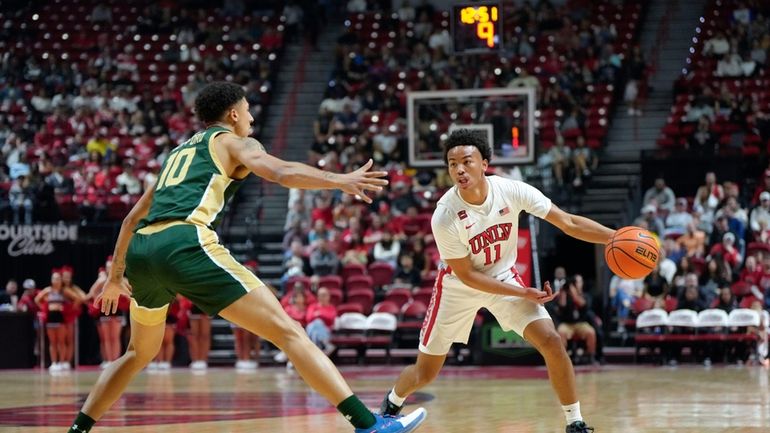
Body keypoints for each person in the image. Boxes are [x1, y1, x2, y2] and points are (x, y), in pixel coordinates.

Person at [66, 82, 425, 433]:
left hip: (142, 251)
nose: (252, 118)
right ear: (234, 113)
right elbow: (281, 172)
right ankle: (368, 425)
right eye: (249, 110)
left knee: (137, 353)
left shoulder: (177, 154)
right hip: (184, 240)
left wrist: (115, 277)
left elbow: (131, 219)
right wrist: (337, 179)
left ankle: (79, 429)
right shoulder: (234, 141)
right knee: (289, 332)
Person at [378, 129, 612, 433]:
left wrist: (614, 237)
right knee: (425, 372)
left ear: (485, 163)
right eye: (452, 164)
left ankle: (575, 422)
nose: (459, 169)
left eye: (466, 161)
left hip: (502, 276)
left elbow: (566, 221)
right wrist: (521, 290)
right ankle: (393, 400)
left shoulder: (512, 190)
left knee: (552, 341)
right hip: (458, 287)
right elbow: (468, 275)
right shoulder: (445, 216)